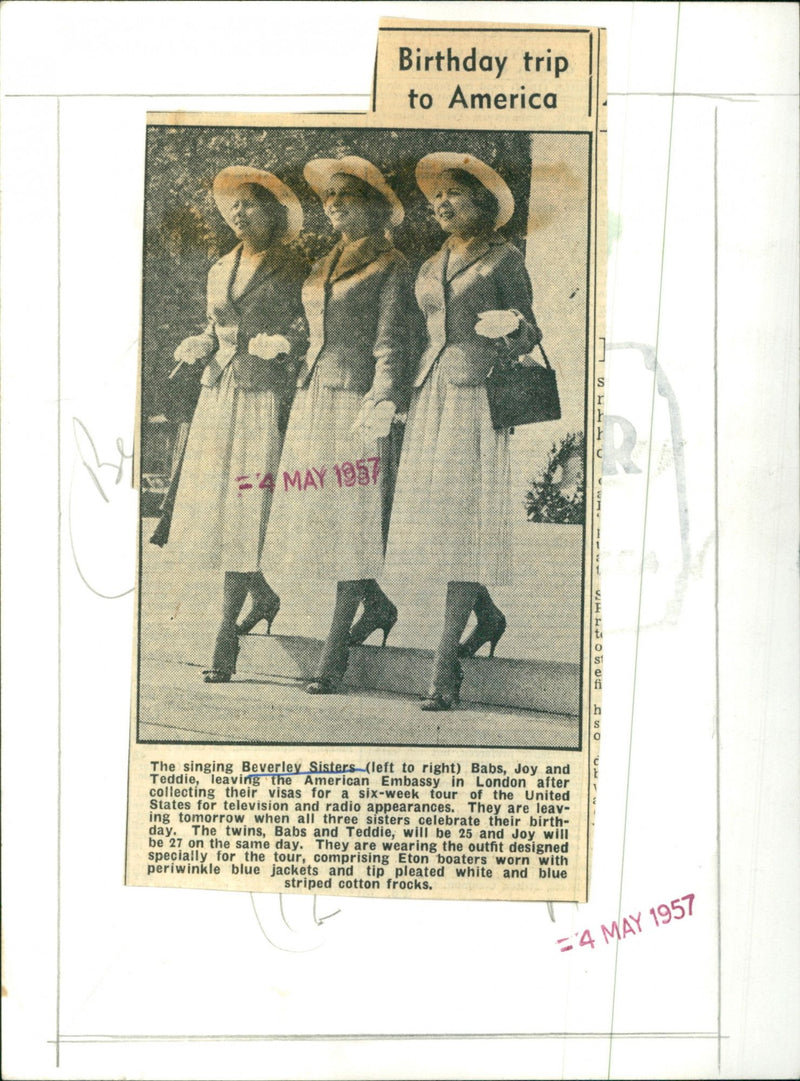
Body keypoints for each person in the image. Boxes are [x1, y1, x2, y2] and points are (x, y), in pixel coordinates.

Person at [383, 152, 542, 710]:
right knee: (440, 518)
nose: (443, 203)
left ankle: (444, 665)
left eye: (454, 194)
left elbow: (528, 332)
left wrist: (512, 329)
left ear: (482, 201)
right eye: (435, 198)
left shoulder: (505, 259)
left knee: (463, 518)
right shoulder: (430, 263)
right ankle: (488, 615)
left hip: (477, 395)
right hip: (431, 393)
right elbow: (417, 331)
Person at [261, 156, 413, 694]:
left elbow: (392, 339)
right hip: (311, 394)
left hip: (355, 397)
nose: (336, 206)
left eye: (348, 197)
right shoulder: (324, 261)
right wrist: (286, 355)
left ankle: (334, 652)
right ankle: (376, 603)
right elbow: (316, 331)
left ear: (375, 206)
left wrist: (383, 397)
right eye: (330, 199)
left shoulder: (391, 263)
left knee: (351, 512)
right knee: (318, 507)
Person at [167, 166, 307, 682]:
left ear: (274, 210)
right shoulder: (221, 264)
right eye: (233, 205)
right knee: (221, 503)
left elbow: (311, 322)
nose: (239, 212)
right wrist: (202, 342)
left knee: (249, 504)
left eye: (250, 203)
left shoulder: (294, 265)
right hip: (219, 389)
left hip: (264, 393)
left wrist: (284, 346)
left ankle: (225, 635)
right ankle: (262, 594)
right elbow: (216, 322)